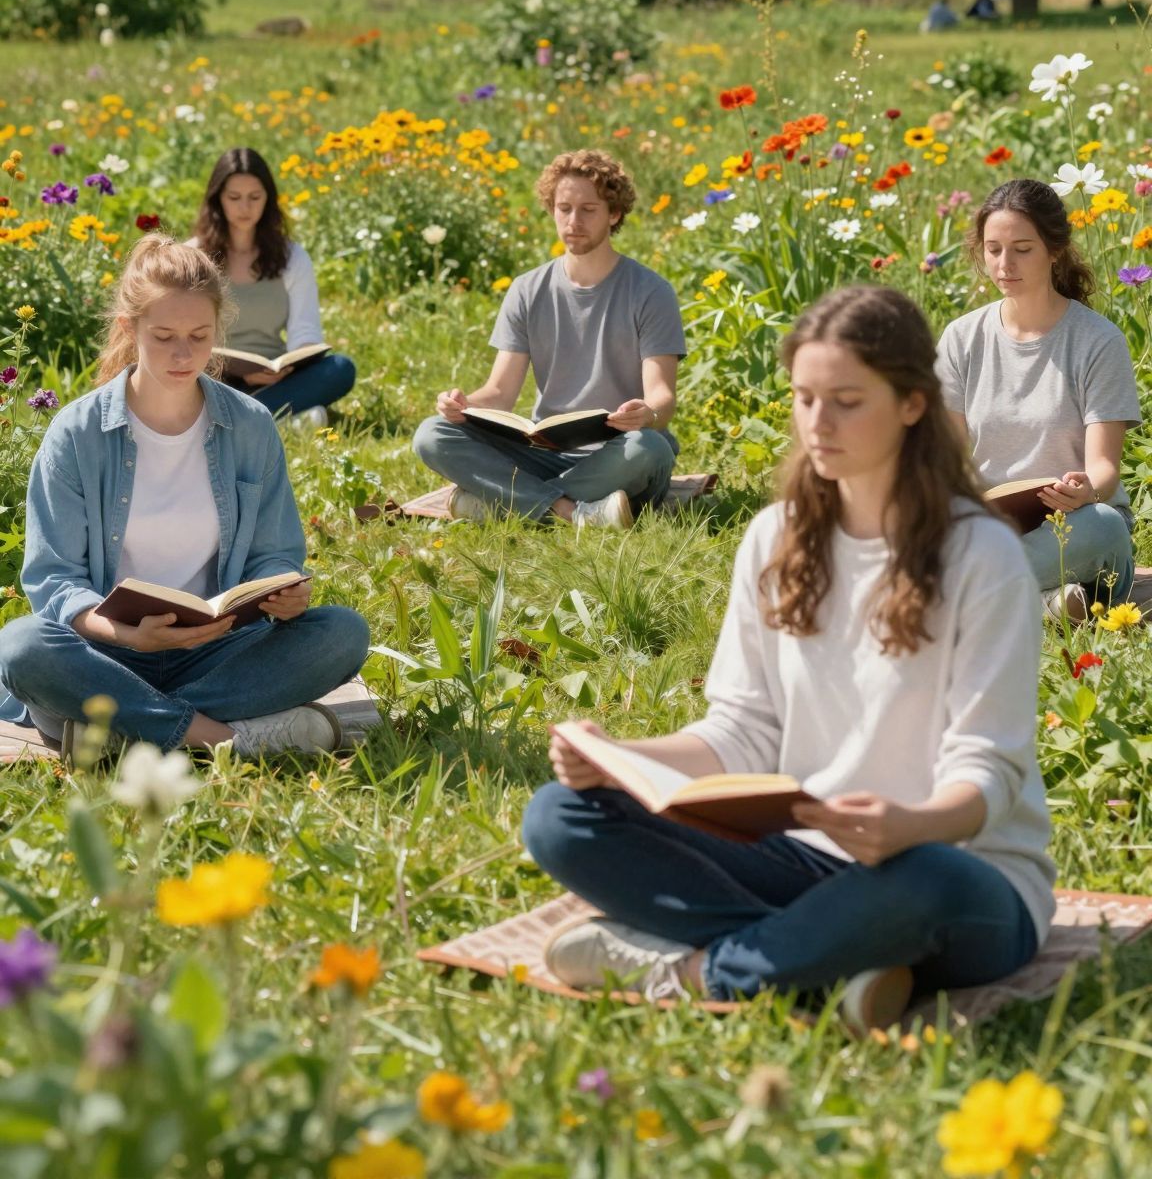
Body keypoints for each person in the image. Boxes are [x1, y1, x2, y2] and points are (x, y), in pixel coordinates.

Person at [522, 285, 1054, 1028]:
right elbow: (741, 731)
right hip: (800, 861)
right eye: (804, 399)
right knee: (561, 816)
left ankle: (699, 971)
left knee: (923, 882)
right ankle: (827, 966)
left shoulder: (981, 553)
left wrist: (912, 824)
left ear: (911, 404)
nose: (818, 423)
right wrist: (618, 757)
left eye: (845, 400)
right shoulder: (775, 537)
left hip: (960, 873)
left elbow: (988, 770)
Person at [0, 236, 370, 759]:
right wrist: (129, 636)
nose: (183, 354)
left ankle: (121, 727)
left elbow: (274, 554)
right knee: (21, 646)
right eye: (165, 335)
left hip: (217, 650)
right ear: (130, 330)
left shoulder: (250, 425)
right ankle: (223, 739)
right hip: (107, 650)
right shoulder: (77, 433)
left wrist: (286, 598)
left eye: (199, 336)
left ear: (218, 329)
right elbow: (55, 581)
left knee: (343, 632)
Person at [412, 149, 685, 528]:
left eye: (588, 209)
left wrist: (648, 414)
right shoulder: (527, 289)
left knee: (650, 447)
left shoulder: (651, 292)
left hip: (619, 452)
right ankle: (571, 513)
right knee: (431, 434)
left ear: (615, 214)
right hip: (544, 450)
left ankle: (506, 503)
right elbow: (500, 393)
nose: (574, 221)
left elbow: (663, 398)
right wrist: (463, 405)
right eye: (564, 208)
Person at [936, 178, 1140, 621]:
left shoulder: (1098, 342)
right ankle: (1047, 604)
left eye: (1022, 249)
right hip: (988, 527)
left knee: (1103, 525)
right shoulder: (960, 339)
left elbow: (1104, 469)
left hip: (1076, 524)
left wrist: (1087, 491)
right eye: (993, 249)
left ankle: (959, 599)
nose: (1005, 264)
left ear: (1054, 250)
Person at [193, 147, 355, 425]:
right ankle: (283, 416)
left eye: (255, 197)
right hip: (213, 376)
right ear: (218, 200)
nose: (245, 208)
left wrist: (292, 363)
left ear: (268, 199)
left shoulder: (292, 257)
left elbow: (305, 330)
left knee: (340, 368)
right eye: (234, 198)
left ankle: (242, 419)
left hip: (277, 375)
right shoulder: (193, 257)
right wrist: (241, 375)